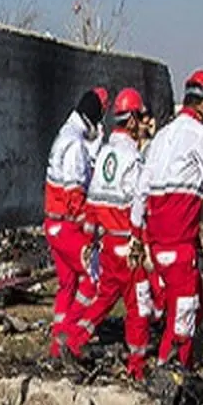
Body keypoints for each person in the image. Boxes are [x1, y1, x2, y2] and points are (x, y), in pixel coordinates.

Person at [131, 69, 203, 369]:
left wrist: (136, 232)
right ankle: (171, 372)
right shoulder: (200, 135)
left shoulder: (162, 135)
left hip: (156, 241)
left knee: (197, 300)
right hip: (179, 242)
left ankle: (183, 358)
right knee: (183, 313)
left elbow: (141, 189)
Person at [62, 88, 155, 379]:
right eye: (141, 118)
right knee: (139, 305)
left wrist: (91, 240)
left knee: (103, 298)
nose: (144, 124)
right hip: (127, 243)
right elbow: (140, 204)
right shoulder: (133, 159)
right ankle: (137, 365)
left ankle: (74, 340)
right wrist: (142, 240)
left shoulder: (104, 154)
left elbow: (92, 202)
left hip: (107, 244)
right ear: (132, 121)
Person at [45, 89, 106, 357]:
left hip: (53, 224)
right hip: (67, 226)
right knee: (93, 278)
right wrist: (91, 226)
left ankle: (57, 342)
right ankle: (69, 337)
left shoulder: (65, 136)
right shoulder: (74, 144)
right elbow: (74, 194)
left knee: (67, 283)